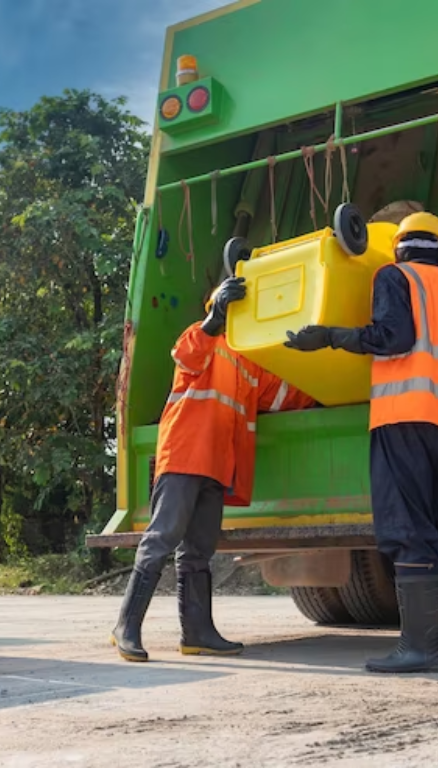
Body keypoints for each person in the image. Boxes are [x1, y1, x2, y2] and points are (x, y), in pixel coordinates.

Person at [285, 212, 438, 673]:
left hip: (403, 417)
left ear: (398, 247)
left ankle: (420, 648)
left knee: (408, 527)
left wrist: (330, 336)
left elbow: (393, 337)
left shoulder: (393, 276)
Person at [112, 275, 315, 663]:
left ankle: (198, 634)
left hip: (217, 466)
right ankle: (126, 626)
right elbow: (186, 353)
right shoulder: (202, 340)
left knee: (199, 551)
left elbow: (289, 394)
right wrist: (213, 320)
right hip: (186, 456)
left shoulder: (250, 364)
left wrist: (313, 354)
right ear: (218, 308)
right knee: (162, 538)